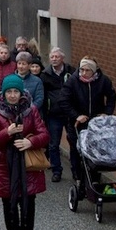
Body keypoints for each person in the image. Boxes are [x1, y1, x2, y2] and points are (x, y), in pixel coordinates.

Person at [0, 74, 49, 230]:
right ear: (4, 93)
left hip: (27, 164)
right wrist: (7, 132)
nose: (12, 95)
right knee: (9, 203)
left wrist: (31, 142)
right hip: (5, 166)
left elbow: (44, 134)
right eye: (9, 92)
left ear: (21, 93)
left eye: (16, 91)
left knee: (28, 202)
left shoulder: (31, 110)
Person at [59, 56, 116, 181]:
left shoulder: (103, 81)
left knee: (95, 150)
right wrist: (76, 115)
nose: (84, 73)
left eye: (87, 70)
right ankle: (78, 176)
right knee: (76, 149)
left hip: (96, 124)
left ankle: (94, 177)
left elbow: (112, 97)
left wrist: (106, 113)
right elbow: (63, 101)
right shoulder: (72, 81)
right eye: (82, 69)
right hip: (77, 123)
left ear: (94, 71)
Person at [40, 47, 76, 182]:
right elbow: (43, 97)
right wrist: (44, 115)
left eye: (57, 57)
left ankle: (75, 170)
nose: (54, 59)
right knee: (53, 144)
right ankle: (56, 170)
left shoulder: (72, 72)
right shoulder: (45, 75)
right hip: (53, 115)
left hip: (70, 114)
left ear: (62, 58)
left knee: (73, 142)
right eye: (52, 57)